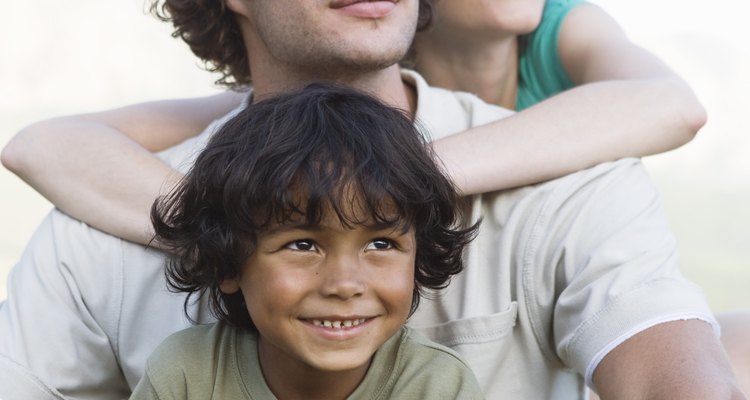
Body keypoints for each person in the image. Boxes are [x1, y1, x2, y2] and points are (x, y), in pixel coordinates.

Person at [0, 0, 744, 399]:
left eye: (383, 237)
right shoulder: (100, 221)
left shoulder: (568, 172)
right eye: (300, 241)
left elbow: (666, 373)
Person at [131, 83, 483, 399]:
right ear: (229, 261)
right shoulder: (186, 376)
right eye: (303, 245)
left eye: (380, 244)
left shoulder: (438, 387)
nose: (345, 285)